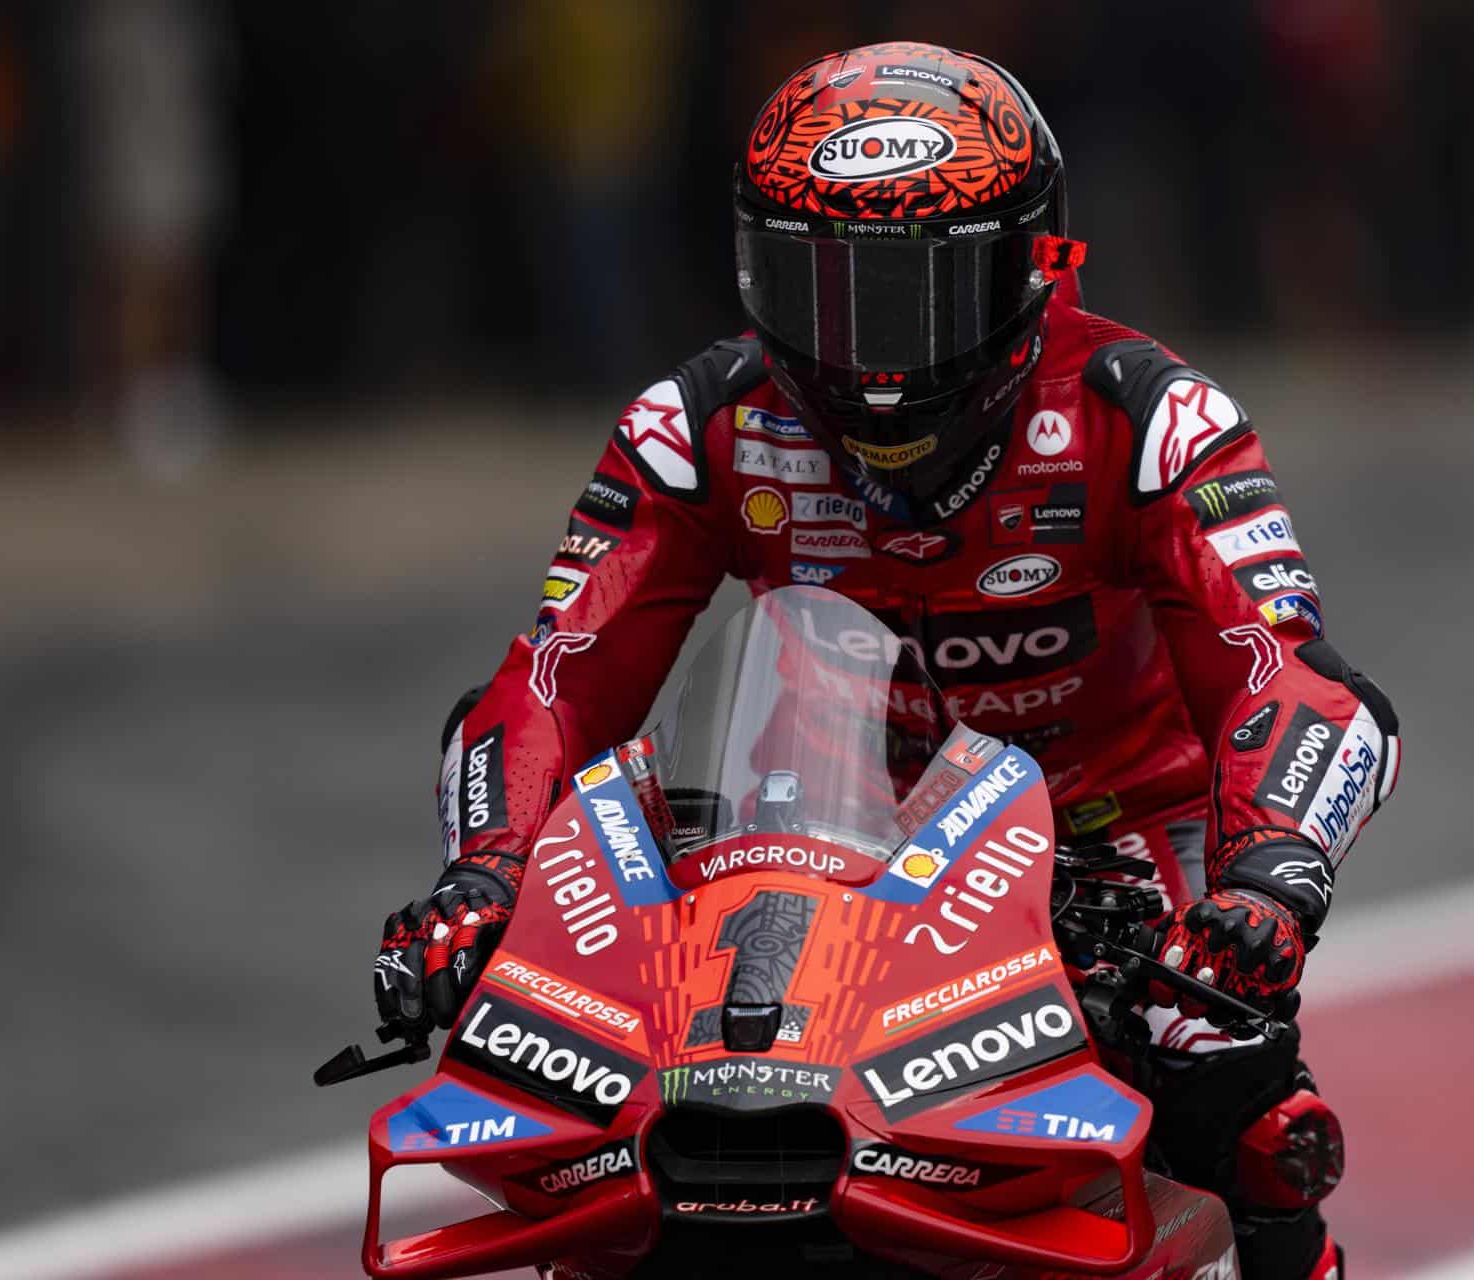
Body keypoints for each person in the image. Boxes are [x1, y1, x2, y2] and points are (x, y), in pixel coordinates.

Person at [373, 41, 1397, 1280]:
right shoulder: (697, 425)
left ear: (1028, 266)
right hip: (815, 837)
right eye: (825, 292)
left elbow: (1286, 672)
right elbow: (553, 675)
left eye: (920, 297)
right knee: (598, 1108)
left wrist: (1270, 881)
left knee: (1227, 1075)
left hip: (1117, 851)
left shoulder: (1150, 415)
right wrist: (482, 875)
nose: (871, 356)